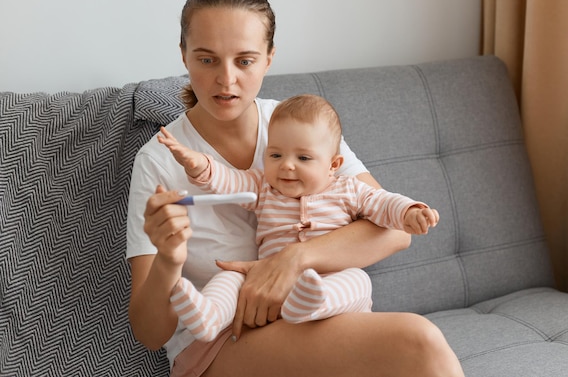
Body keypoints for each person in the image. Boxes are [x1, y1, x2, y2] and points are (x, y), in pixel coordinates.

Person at [126, 0, 465, 377]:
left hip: (306, 315)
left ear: (269, 58)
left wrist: (293, 259)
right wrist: (168, 259)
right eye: (207, 59)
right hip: (219, 343)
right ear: (183, 55)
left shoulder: (298, 124)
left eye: (245, 60)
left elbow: (396, 231)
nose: (226, 79)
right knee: (417, 342)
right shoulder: (158, 161)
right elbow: (149, 333)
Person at [157, 93, 441, 343]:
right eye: (276, 155)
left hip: (329, 280)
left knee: (358, 279)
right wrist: (199, 165)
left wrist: (409, 211)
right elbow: (229, 180)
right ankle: (211, 316)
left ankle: (315, 302)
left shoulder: (349, 189)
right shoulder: (264, 187)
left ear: (334, 165)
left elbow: (384, 203)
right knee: (231, 276)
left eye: (303, 158)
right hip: (271, 284)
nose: (287, 166)